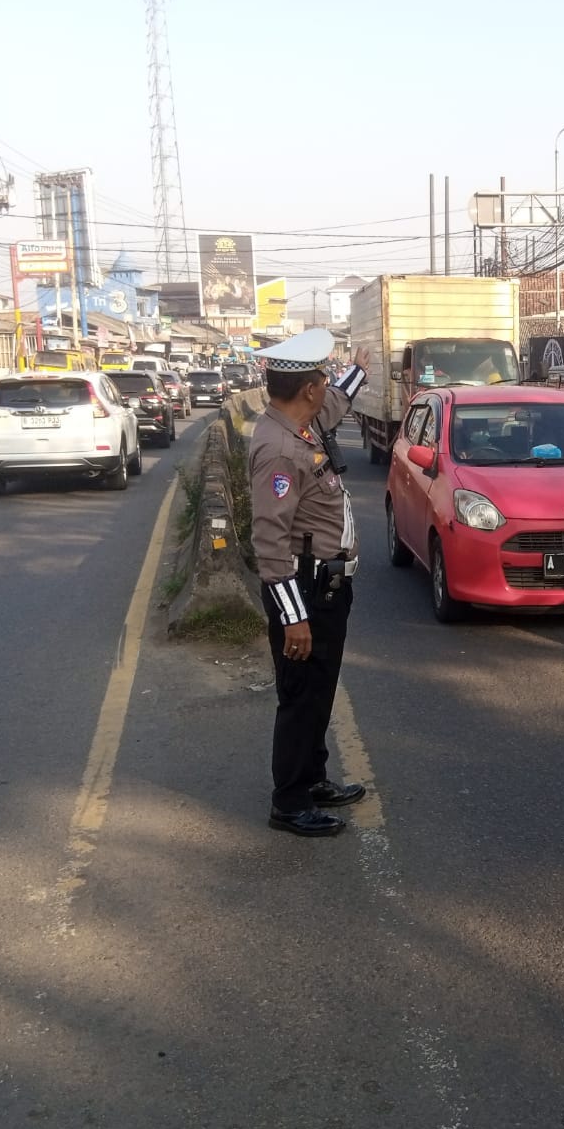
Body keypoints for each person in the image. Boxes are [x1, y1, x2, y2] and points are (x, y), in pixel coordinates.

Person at [249, 327, 371, 837]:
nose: (326, 386)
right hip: (302, 589)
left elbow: (339, 402)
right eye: (322, 378)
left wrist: (359, 370)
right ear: (308, 389)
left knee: (319, 690)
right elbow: (270, 542)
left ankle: (313, 778)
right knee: (300, 697)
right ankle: (290, 801)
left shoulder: (304, 421)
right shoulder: (280, 449)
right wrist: (293, 617)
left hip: (327, 586)